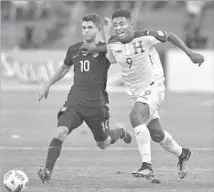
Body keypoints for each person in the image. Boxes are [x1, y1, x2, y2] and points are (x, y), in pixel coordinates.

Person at [84, 9, 204, 181]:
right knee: (157, 134)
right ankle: (182, 154)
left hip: (154, 85)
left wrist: (190, 53)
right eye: (116, 24)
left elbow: (169, 35)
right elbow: (110, 58)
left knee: (134, 116)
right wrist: (106, 32)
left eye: (122, 23)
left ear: (131, 24)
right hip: (135, 93)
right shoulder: (113, 43)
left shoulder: (145, 36)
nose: (119, 27)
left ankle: (147, 166)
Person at [37, 14, 132, 183]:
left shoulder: (105, 50)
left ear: (98, 29)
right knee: (61, 131)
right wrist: (48, 85)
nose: (86, 31)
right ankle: (47, 171)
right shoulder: (74, 49)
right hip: (75, 103)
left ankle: (120, 131)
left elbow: (112, 52)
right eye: (83, 27)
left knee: (103, 143)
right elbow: (64, 69)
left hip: (97, 106)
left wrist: (108, 30)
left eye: (90, 27)